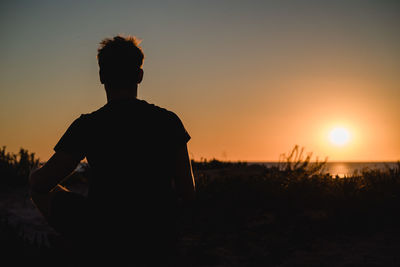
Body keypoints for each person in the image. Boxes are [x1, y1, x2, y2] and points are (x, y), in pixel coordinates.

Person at [29, 35, 196, 266]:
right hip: (157, 237)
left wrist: (35, 172)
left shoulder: (88, 125)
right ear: (139, 76)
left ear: (101, 76)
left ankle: (78, 246)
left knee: (36, 183)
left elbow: (41, 184)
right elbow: (188, 193)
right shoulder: (169, 121)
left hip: (102, 234)